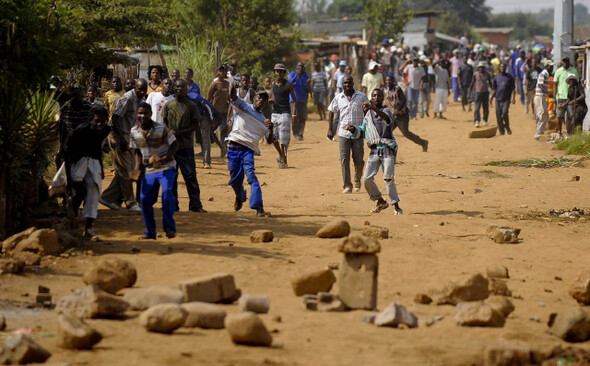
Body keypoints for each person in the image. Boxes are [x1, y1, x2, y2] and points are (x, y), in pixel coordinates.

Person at [345, 89, 402, 215]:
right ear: (371, 98)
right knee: (366, 180)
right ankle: (380, 201)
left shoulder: (386, 110)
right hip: (374, 151)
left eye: (379, 95)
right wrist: (353, 129)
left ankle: (396, 205)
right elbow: (362, 132)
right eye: (374, 96)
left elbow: (386, 118)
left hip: (387, 149)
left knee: (388, 178)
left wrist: (372, 108)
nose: (376, 97)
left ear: (382, 98)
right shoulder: (368, 116)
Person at [130, 102, 178, 239]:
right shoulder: (134, 131)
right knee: (144, 199)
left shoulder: (161, 128)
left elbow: (174, 144)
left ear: (151, 114)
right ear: (137, 115)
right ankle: (151, 232)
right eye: (140, 113)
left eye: (145, 113)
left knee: (167, 193)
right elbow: (137, 152)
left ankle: (169, 228)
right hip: (149, 169)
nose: (142, 116)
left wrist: (165, 158)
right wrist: (136, 169)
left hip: (166, 167)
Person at [227, 84, 274, 218]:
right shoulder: (243, 106)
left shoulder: (264, 120)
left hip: (248, 150)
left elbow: (270, 140)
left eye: (264, 100)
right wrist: (232, 88)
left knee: (251, 177)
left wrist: (271, 129)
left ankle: (259, 207)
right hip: (233, 147)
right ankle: (240, 196)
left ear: (265, 104)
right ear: (254, 98)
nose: (261, 101)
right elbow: (232, 97)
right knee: (235, 180)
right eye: (259, 98)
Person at [64, 106, 111, 239]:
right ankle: (71, 220)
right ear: (90, 120)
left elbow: (97, 148)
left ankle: (89, 229)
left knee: (94, 193)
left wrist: (101, 168)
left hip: (94, 162)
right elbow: (67, 154)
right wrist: (68, 179)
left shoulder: (106, 130)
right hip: (77, 162)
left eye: (103, 121)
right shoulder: (80, 132)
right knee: (80, 192)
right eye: (96, 121)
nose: (99, 124)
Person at [100, 79, 146, 212]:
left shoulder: (138, 99)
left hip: (127, 136)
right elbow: (115, 118)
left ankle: (107, 197)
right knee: (126, 171)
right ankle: (131, 202)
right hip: (118, 136)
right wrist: (121, 140)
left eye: (144, 89)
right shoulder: (127, 98)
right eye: (139, 89)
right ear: (135, 88)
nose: (142, 92)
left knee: (126, 170)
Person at [161, 79, 206, 213]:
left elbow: (196, 125)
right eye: (177, 87)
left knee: (190, 176)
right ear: (173, 89)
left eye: (182, 87)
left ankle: (195, 205)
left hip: (186, 147)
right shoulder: (168, 105)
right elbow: (164, 122)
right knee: (171, 177)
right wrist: (168, 133)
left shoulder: (191, 106)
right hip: (171, 148)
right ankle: (173, 205)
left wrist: (179, 133)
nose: (179, 89)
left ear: (186, 89)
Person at [327, 75, 369, 193]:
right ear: (342, 84)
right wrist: (330, 129)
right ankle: (347, 185)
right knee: (344, 160)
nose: (347, 85)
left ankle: (357, 179)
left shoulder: (361, 96)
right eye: (345, 83)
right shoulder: (338, 98)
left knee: (359, 160)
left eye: (349, 82)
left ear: (352, 83)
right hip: (343, 133)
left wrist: (367, 127)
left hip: (358, 133)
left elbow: (367, 110)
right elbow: (331, 111)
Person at [384, 74, 428, 152]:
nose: (388, 82)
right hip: (394, 115)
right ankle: (386, 149)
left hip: (402, 115)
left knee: (405, 133)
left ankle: (423, 142)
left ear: (393, 81)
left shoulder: (397, 89)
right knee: (387, 131)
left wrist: (397, 109)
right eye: (387, 80)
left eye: (390, 80)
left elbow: (404, 100)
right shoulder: (388, 91)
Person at [271, 63, 296, 168]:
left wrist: (294, 114)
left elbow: (294, 100)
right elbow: (272, 97)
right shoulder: (273, 84)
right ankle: (281, 154)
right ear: (274, 73)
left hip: (285, 113)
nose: (279, 73)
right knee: (273, 137)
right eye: (277, 71)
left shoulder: (288, 85)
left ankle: (284, 160)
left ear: (284, 73)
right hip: (275, 113)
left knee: (283, 138)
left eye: (281, 71)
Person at [207, 65, 231, 160]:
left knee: (224, 129)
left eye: (224, 71)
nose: (222, 73)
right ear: (217, 73)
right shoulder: (214, 84)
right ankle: (221, 146)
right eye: (220, 71)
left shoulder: (227, 84)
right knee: (211, 130)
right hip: (215, 111)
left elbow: (228, 97)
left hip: (224, 111)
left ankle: (223, 147)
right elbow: (208, 98)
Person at [554, 56, 580, 134]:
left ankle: (568, 133)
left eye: (566, 61)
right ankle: (560, 132)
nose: (565, 63)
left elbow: (577, 83)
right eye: (563, 61)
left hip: (570, 98)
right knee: (559, 116)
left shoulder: (574, 71)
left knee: (569, 116)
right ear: (562, 62)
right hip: (560, 97)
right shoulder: (558, 71)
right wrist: (555, 96)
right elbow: (555, 83)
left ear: (569, 61)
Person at [491, 63, 516, 135]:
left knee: (504, 113)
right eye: (501, 67)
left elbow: (513, 89)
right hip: (498, 99)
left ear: (506, 68)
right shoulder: (496, 78)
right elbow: (494, 90)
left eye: (504, 67)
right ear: (499, 68)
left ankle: (507, 126)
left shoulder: (509, 77)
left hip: (506, 99)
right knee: (498, 115)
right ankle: (501, 131)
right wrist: (491, 98)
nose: (503, 68)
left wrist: (513, 98)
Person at [288, 62, 310, 141]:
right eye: (299, 66)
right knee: (295, 117)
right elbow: (289, 84)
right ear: (297, 67)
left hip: (303, 99)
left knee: (302, 117)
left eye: (302, 66)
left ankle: (300, 134)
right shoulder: (292, 74)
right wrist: (296, 75)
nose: (301, 67)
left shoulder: (306, 75)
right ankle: (295, 133)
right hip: (294, 100)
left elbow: (308, 89)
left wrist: (308, 84)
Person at [533, 60, 554, 140]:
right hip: (540, 96)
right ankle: (539, 133)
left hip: (541, 96)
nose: (552, 68)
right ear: (546, 66)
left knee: (541, 114)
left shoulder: (546, 74)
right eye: (550, 66)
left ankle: (538, 132)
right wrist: (548, 93)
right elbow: (540, 84)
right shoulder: (543, 74)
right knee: (543, 114)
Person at [470, 62, 492, 127]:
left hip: (485, 92)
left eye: (482, 67)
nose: (481, 68)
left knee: (485, 107)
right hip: (478, 93)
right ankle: (476, 121)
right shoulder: (475, 74)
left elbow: (490, 83)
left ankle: (485, 120)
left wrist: (493, 91)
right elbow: (472, 83)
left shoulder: (487, 74)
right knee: (477, 108)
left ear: (484, 68)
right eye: (480, 67)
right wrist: (470, 93)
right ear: (478, 68)